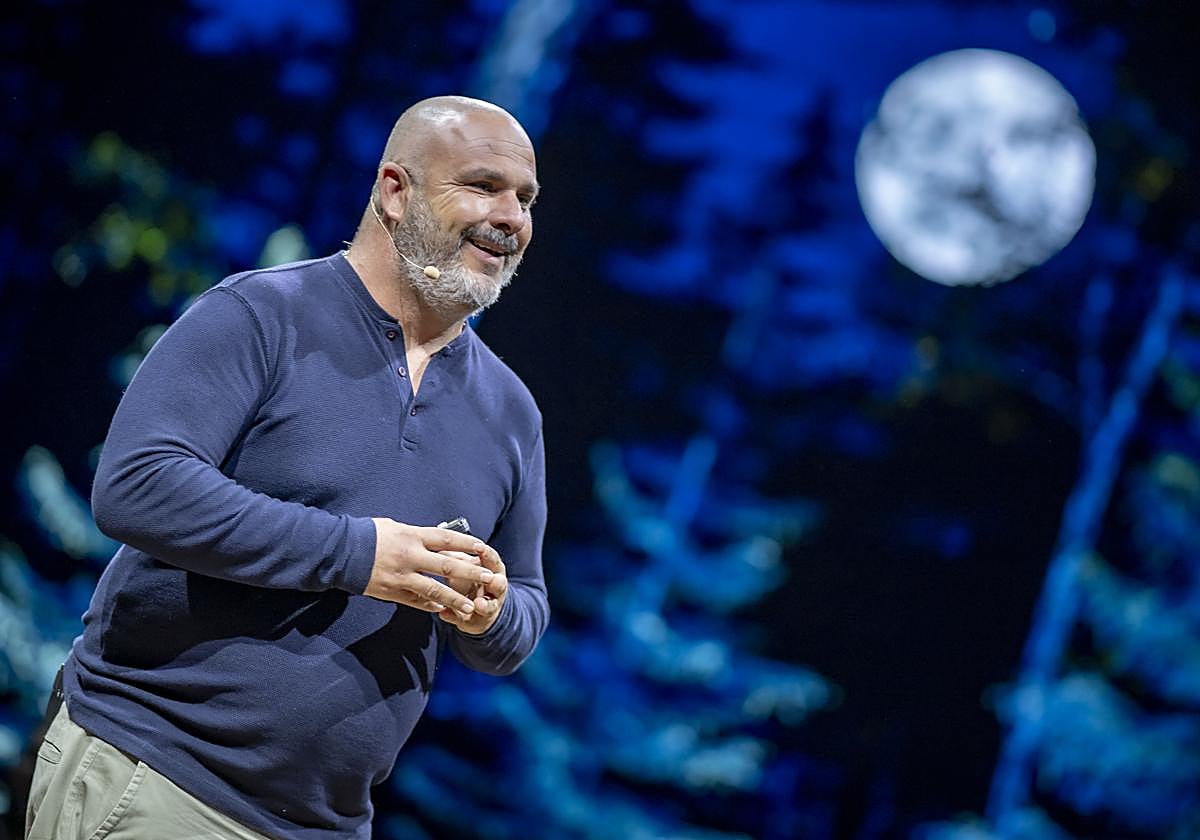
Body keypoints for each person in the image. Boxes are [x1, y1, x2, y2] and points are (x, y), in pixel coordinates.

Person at [26, 95, 549, 839]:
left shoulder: (511, 414)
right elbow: (137, 484)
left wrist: (492, 612)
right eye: (483, 186)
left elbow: (527, 603)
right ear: (395, 192)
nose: (512, 218)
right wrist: (359, 553)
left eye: (525, 199)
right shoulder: (262, 314)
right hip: (159, 780)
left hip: (326, 827)